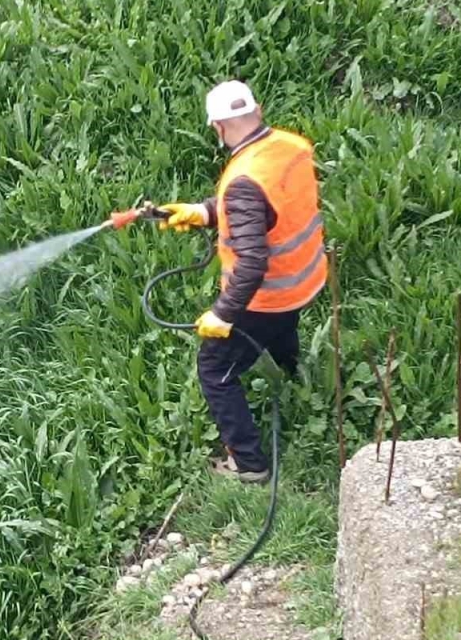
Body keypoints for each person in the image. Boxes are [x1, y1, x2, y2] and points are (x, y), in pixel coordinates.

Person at [156, 80, 328, 484]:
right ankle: (293, 374)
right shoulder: (290, 147)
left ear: (217, 127)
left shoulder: (244, 179)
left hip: (266, 296)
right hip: (303, 279)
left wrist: (222, 314)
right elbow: (269, 208)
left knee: (214, 368)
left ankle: (248, 464)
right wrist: (204, 212)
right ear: (258, 110)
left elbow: (251, 261)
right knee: (282, 330)